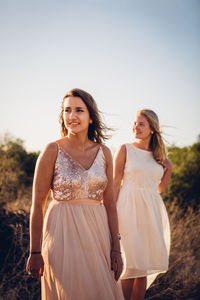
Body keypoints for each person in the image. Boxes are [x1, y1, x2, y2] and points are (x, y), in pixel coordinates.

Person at [26, 88, 124, 300]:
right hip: (61, 234)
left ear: (91, 117)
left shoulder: (104, 152)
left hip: (98, 236)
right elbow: (37, 206)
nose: (72, 116)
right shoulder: (52, 150)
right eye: (67, 110)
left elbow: (111, 206)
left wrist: (117, 248)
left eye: (79, 110)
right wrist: (35, 252)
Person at [113, 109, 172, 300]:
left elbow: (159, 189)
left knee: (142, 269)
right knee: (130, 264)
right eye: (135, 123)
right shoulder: (125, 149)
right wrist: (110, 212)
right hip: (128, 209)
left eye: (141, 124)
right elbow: (115, 182)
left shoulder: (158, 156)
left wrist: (168, 169)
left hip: (151, 212)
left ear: (152, 129)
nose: (135, 127)